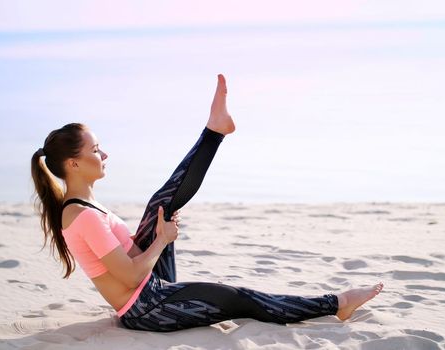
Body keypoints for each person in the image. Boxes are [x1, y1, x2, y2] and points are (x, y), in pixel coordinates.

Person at [30, 74, 383, 332]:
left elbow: (132, 264)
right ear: (73, 164)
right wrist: (162, 240)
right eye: (95, 150)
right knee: (237, 297)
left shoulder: (86, 207)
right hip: (147, 308)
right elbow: (132, 274)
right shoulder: (80, 215)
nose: (104, 154)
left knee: (160, 204)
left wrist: (157, 234)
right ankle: (337, 304)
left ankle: (214, 131)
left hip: (149, 288)